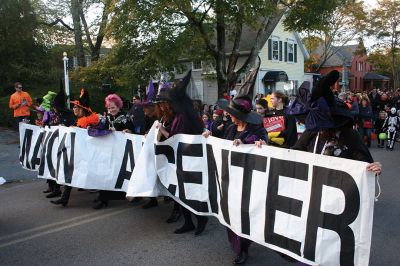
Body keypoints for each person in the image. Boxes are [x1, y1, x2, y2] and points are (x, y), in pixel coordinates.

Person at [287, 70, 382, 266]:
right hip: (312, 197)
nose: (319, 129)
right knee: (310, 248)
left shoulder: (349, 136)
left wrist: (374, 168)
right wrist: (264, 151)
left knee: (331, 248)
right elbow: (293, 154)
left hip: (336, 204)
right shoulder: (311, 134)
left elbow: (364, 162)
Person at [205, 95, 267, 265]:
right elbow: (221, 141)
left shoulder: (256, 129)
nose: (229, 116)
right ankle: (239, 246)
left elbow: (264, 140)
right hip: (230, 178)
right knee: (231, 212)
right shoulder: (230, 128)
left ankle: (244, 247)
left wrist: (251, 142)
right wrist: (209, 134)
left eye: (232, 114)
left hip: (248, 179)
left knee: (245, 213)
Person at [156, 71, 209, 236]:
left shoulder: (183, 117)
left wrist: (161, 129)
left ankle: (200, 218)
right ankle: (188, 222)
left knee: (191, 192)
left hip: (190, 161)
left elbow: (174, 138)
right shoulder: (183, 115)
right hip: (181, 160)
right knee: (181, 192)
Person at [51, 89, 99, 207]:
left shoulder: (91, 121)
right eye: (73, 107)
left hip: (90, 154)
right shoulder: (79, 120)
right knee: (70, 170)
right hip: (79, 152)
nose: (73, 109)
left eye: (76, 107)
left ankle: (103, 196)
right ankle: (64, 198)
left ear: (82, 109)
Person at [92, 94, 134, 209]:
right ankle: (103, 198)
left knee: (122, 174)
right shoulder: (107, 118)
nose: (111, 110)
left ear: (119, 106)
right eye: (109, 108)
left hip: (121, 153)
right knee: (105, 173)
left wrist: (125, 131)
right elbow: (102, 130)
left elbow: (132, 132)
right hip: (108, 151)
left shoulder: (126, 117)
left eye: (113, 107)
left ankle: (133, 194)